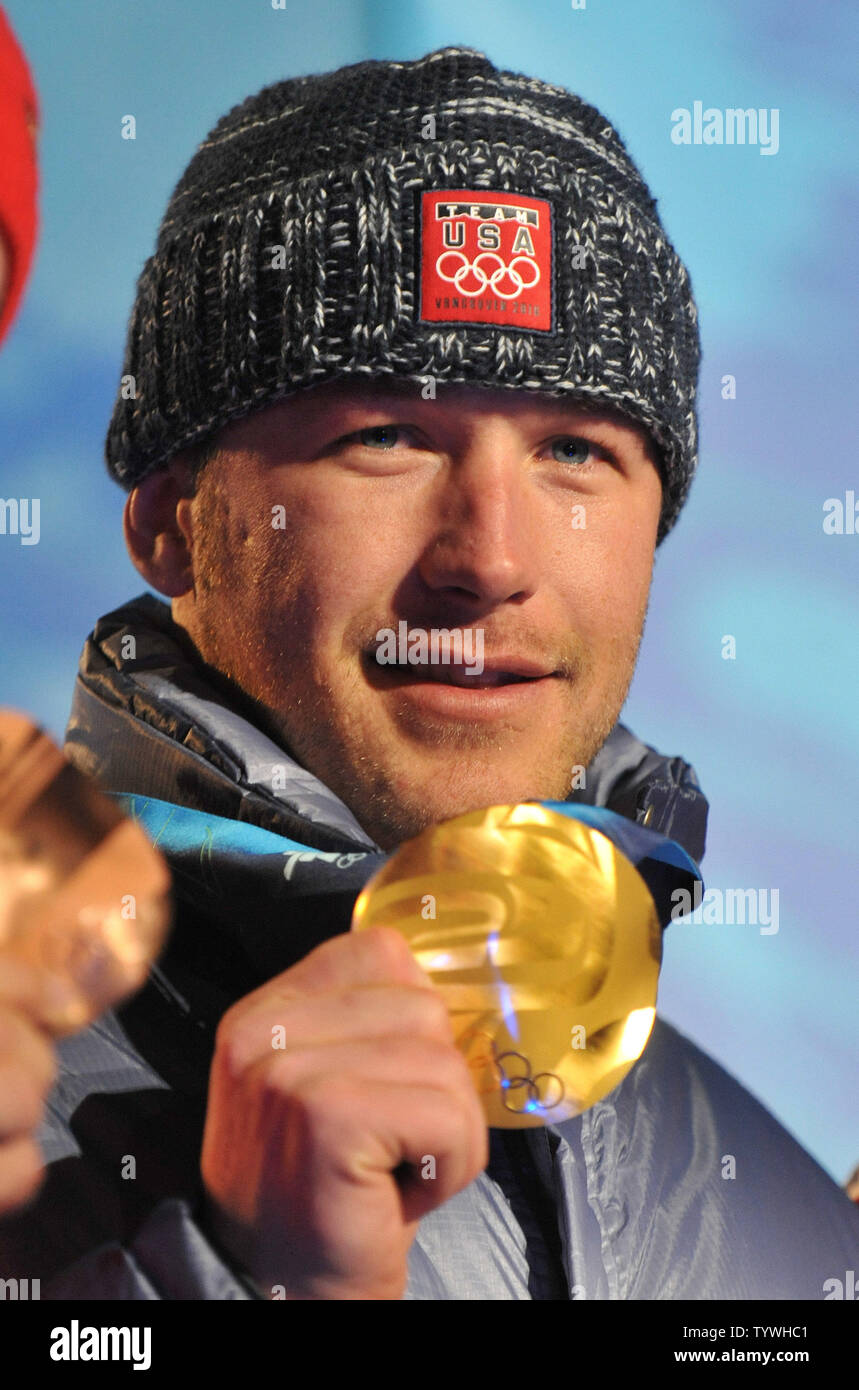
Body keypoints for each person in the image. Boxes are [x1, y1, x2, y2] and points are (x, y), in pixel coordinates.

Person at [1, 46, 857, 1300]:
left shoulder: (782, 1220)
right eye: (386, 436)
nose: (489, 559)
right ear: (169, 517)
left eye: (574, 449)